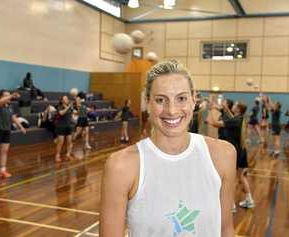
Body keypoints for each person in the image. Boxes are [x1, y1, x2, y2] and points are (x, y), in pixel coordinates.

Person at [100, 60, 235, 237]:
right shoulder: (121, 166)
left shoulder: (223, 155)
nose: (171, 110)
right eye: (160, 100)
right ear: (147, 102)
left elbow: (225, 229)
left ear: (194, 100)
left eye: (181, 98)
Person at [208, 101, 254, 209]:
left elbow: (215, 123)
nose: (232, 106)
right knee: (240, 177)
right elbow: (231, 116)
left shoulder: (235, 121)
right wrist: (225, 108)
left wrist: (211, 110)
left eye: (234, 105)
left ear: (238, 109)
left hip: (235, 153)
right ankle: (249, 199)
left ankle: (230, 205)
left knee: (229, 179)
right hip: (242, 152)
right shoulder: (239, 118)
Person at [0, 90, 26, 178]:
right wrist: (11, 95)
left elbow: (13, 117)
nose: (9, 97)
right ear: (1, 97)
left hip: (6, 131)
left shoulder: (9, 106)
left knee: (4, 151)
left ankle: (2, 171)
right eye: (6, 95)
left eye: (9, 95)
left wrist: (21, 127)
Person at [54, 95, 74, 162]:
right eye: (65, 99)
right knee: (60, 143)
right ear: (62, 101)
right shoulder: (59, 106)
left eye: (67, 98)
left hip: (68, 127)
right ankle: (57, 156)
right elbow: (61, 113)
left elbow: (72, 115)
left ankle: (68, 155)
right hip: (61, 127)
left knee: (69, 142)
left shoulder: (70, 108)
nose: (67, 100)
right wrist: (68, 107)